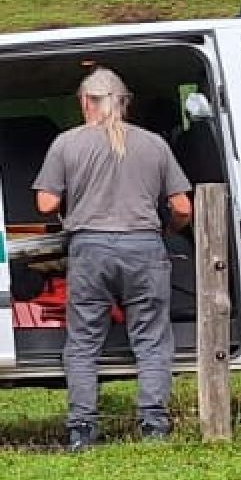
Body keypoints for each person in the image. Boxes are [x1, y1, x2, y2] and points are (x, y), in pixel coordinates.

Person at [33, 67, 193, 450]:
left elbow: (46, 203)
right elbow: (182, 206)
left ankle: (82, 430)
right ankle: (154, 425)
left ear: (85, 102)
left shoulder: (66, 143)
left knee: (84, 341)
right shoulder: (154, 144)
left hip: (90, 249)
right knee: (152, 340)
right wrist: (166, 231)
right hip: (144, 247)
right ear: (125, 103)